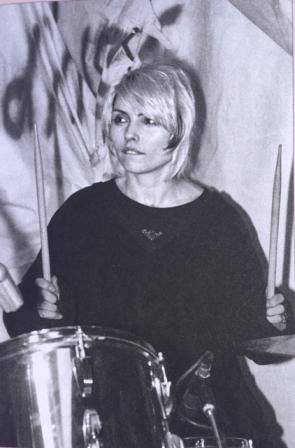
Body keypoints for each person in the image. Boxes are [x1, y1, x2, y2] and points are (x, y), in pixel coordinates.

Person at [4, 62, 293, 446]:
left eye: (148, 121)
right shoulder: (81, 214)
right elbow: (34, 332)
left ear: (178, 131)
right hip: (110, 421)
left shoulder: (220, 221)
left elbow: (259, 341)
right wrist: (33, 306)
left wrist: (276, 316)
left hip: (209, 419)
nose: (130, 134)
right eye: (121, 118)